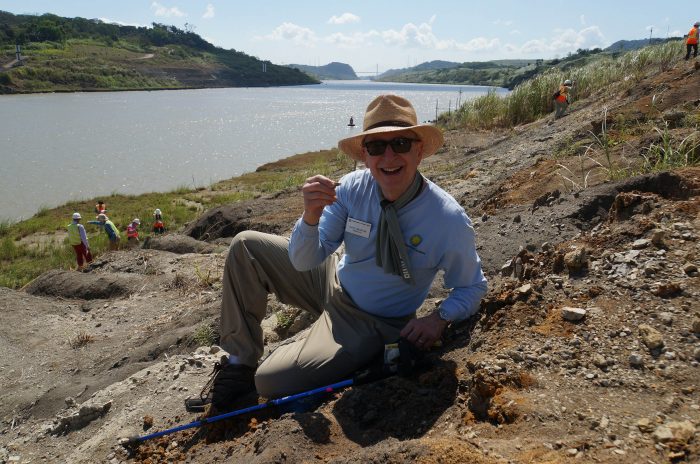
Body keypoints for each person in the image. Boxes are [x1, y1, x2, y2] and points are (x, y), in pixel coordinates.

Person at [190, 94, 487, 413]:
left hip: (372, 319)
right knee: (246, 245)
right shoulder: (351, 188)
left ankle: (329, 355)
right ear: (364, 154)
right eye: (376, 146)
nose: (388, 155)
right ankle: (237, 366)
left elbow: (473, 286)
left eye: (400, 143)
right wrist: (309, 218)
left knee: (269, 381)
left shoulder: (447, 219)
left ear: (419, 150)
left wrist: (438, 318)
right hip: (333, 277)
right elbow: (304, 260)